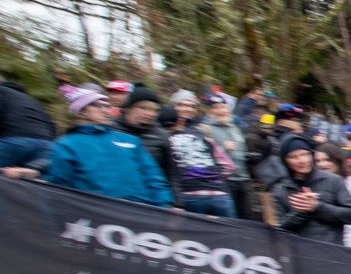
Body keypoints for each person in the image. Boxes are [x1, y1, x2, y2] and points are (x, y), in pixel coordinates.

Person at [41, 86, 172, 206]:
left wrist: (164, 205)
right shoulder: (67, 143)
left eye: (107, 106)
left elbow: (153, 176)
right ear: (81, 111)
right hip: (98, 213)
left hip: (142, 212)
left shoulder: (130, 140)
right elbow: (60, 186)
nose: (105, 111)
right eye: (98, 106)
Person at [271, 136, 351, 245]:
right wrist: (300, 212)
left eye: (304, 154)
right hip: (299, 253)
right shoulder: (281, 190)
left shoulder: (333, 180)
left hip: (331, 251)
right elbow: (280, 229)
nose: (301, 161)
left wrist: (317, 206)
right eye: (293, 157)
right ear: (285, 161)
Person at [164, 94, 236, 217]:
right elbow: (171, 171)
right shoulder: (165, 135)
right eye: (181, 105)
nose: (187, 109)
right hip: (193, 194)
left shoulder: (202, 131)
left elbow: (225, 165)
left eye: (191, 106)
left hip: (216, 194)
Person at [202, 94, 254, 219]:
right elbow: (204, 156)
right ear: (209, 111)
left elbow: (242, 152)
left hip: (243, 180)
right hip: (224, 181)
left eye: (223, 107)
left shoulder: (235, 128)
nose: (221, 111)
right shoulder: (206, 129)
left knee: (247, 217)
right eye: (216, 108)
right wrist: (222, 149)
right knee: (230, 219)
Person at [0, 81, 56, 172]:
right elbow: (51, 124)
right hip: (46, 144)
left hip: (14, 141)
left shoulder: (2, 91)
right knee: (28, 180)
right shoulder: (33, 101)